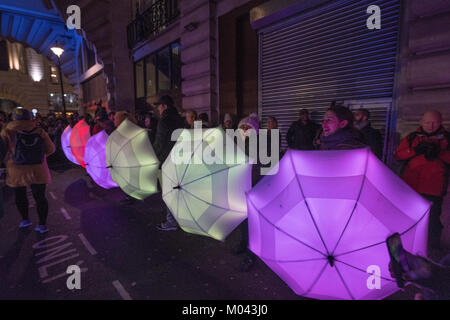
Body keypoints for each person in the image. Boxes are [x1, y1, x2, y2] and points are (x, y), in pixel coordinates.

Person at [395, 111, 450, 252]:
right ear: (421, 122)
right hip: (410, 188)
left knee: (432, 222)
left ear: (441, 122)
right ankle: (405, 246)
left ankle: (431, 250)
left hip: (434, 189)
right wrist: (415, 150)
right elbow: (398, 155)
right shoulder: (412, 137)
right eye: (427, 122)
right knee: (407, 218)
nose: (431, 126)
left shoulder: (447, 139)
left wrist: (440, 152)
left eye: (435, 122)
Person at [0, 108, 56, 233]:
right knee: (40, 197)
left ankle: (25, 220)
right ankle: (42, 225)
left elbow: (2, 151)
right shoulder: (39, 130)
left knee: (20, 196)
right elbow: (51, 149)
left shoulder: (7, 131)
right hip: (38, 169)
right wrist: (40, 155)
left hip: (16, 170)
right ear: (30, 118)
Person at [153, 95, 185, 231]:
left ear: (165, 106)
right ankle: (181, 217)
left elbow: (160, 143)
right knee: (178, 190)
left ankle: (171, 222)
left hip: (166, 161)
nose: (158, 109)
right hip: (180, 159)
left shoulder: (164, 120)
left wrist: (153, 156)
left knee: (168, 192)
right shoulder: (180, 119)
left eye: (159, 106)